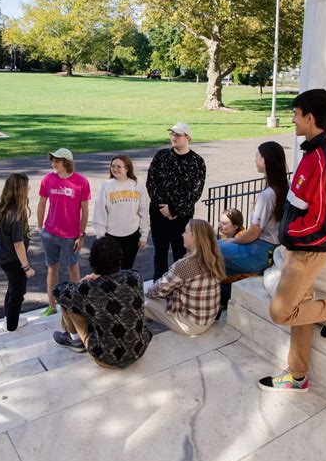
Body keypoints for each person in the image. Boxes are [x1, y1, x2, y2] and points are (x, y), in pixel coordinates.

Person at [258, 89, 326, 393]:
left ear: (310, 118)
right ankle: (298, 376)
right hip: (299, 246)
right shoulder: (313, 150)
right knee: (301, 306)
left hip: (308, 250)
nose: (293, 120)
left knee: (281, 311)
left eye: (296, 114)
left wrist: (293, 237)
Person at [52, 236, 152, 368]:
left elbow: (57, 292)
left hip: (106, 357)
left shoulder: (88, 288)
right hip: (139, 349)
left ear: (92, 262)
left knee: (69, 302)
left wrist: (82, 283)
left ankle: (75, 340)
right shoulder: (135, 277)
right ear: (119, 258)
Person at [146, 122, 206, 282]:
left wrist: (173, 209)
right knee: (160, 253)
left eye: (177, 135)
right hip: (158, 214)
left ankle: (179, 286)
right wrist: (163, 208)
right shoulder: (161, 156)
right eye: (172, 134)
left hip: (182, 218)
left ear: (187, 137)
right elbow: (151, 183)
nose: (173, 137)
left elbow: (195, 192)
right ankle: (158, 286)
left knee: (181, 253)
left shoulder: (197, 162)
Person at [219, 141, 289, 278]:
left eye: (257, 156)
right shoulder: (286, 185)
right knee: (213, 246)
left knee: (206, 250)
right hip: (270, 249)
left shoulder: (267, 195)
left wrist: (234, 240)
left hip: (259, 251)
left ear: (264, 159)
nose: (255, 159)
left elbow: (253, 232)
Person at [145, 219, 225, 335]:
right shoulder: (214, 257)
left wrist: (146, 292)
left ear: (194, 237)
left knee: (140, 299)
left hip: (190, 324)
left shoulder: (185, 265)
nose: (182, 234)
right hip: (209, 318)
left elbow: (157, 290)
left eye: (185, 232)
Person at [38, 148, 90, 316]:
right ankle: (52, 306)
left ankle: (77, 304)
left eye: (57, 161)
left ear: (66, 162)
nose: (53, 164)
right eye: (52, 160)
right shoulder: (48, 179)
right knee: (52, 268)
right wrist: (40, 227)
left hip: (70, 236)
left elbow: (85, 210)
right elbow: (41, 204)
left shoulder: (81, 182)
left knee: (73, 268)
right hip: (50, 234)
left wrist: (81, 235)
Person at [92, 154, 149, 269]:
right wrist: (101, 237)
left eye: (119, 166)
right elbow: (100, 213)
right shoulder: (106, 186)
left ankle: (125, 288)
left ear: (127, 168)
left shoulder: (137, 185)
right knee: (111, 270)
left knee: (127, 269)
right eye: (113, 166)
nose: (115, 169)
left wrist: (144, 235)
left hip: (132, 236)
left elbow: (144, 211)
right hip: (111, 236)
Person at [0, 173, 35, 331]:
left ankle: (8, 319)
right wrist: (26, 267)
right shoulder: (16, 214)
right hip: (13, 260)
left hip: (3, 257)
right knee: (18, 292)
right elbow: (18, 244)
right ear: (20, 190)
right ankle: (12, 325)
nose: (29, 188)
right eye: (27, 186)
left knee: (12, 288)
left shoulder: (5, 209)